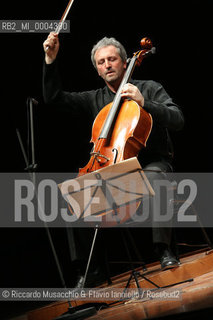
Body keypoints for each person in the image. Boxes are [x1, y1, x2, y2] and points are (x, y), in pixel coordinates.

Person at [42, 33, 184, 286]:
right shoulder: (95, 99)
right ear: (97, 69)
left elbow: (177, 120)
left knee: (156, 178)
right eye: (100, 62)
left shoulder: (149, 87)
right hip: (113, 172)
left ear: (124, 62)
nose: (106, 65)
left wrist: (145, 102)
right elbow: (54, 100)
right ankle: (90, 270)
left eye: (112, 59)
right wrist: (50, 60)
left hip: (151, 163)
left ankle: (164, 250)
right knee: (74, 193)